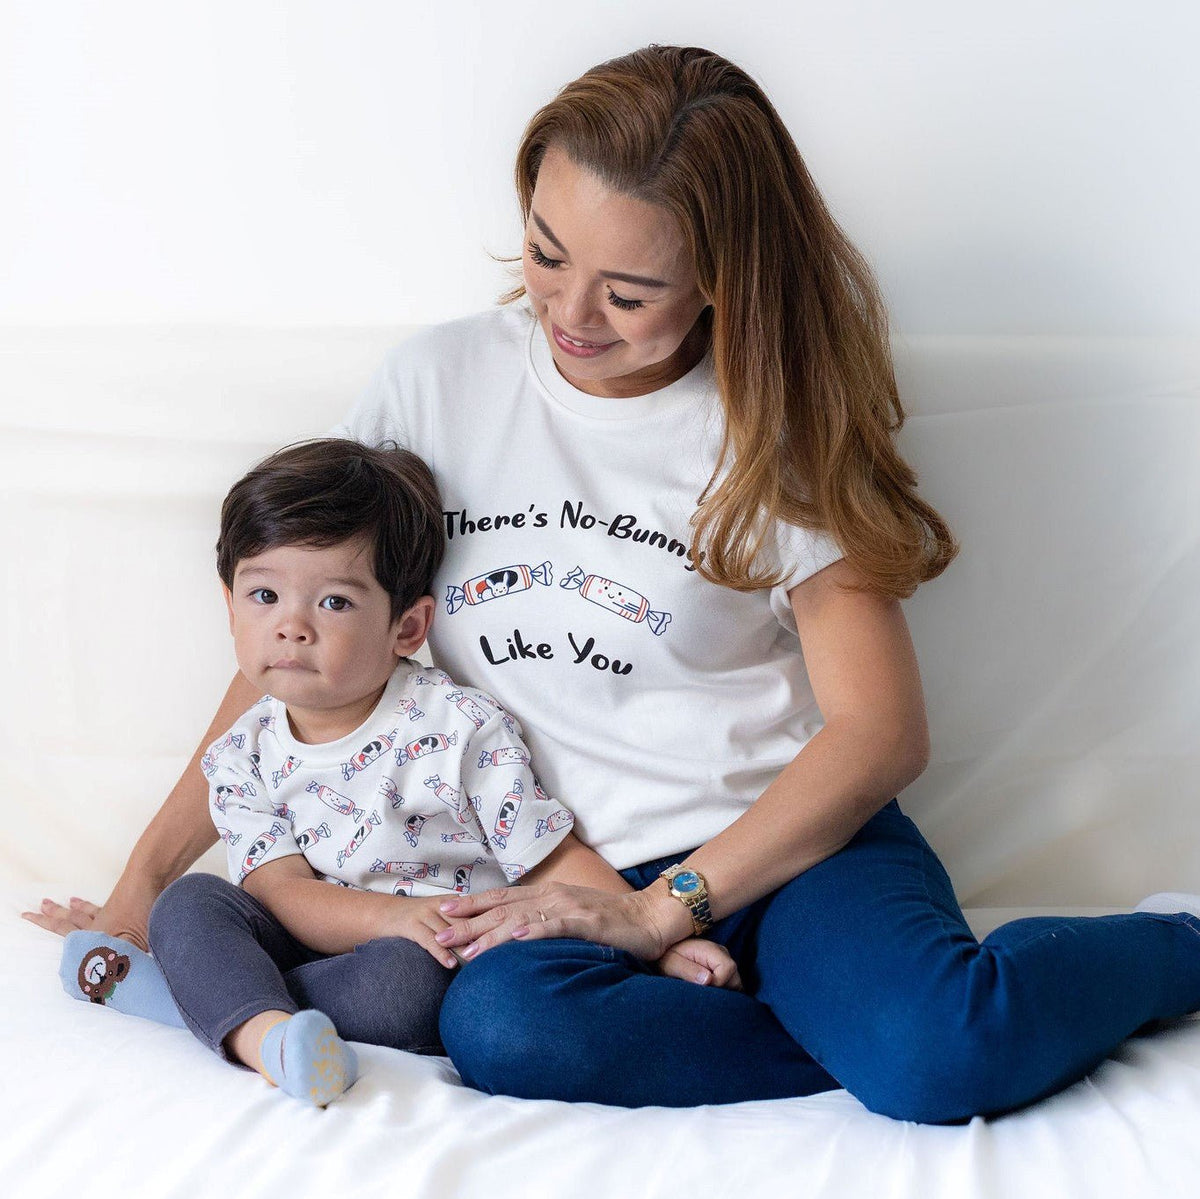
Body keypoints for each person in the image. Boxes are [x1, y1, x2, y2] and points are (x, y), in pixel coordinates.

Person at [26, 45, 1200, 1123]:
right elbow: (298, 655)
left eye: (629, 293)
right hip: (546, 875)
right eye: (546, 251)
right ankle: (874, 1026)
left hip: (792, 853)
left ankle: (1162, 946)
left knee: (944, 1060)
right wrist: (141, 883)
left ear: (724, 279)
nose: (570, 316)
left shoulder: (773, 428)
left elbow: (880, 732)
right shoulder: (434, 387)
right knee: (503, 1028)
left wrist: (661, 911)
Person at [55, 438, 738, 1108]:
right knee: (191, 902)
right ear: (228, 605)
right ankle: (263, 1033)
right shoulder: (240, 752)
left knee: (414, 983)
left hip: (418, 955)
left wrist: (655, 943)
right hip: (307, 931)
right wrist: (390, 914)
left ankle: (207, 1003)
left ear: (407, 628)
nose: (291, 626)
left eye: (335, 603)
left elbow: (549, 855)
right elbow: (283, 892)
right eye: (263, 594)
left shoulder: (458, 727)